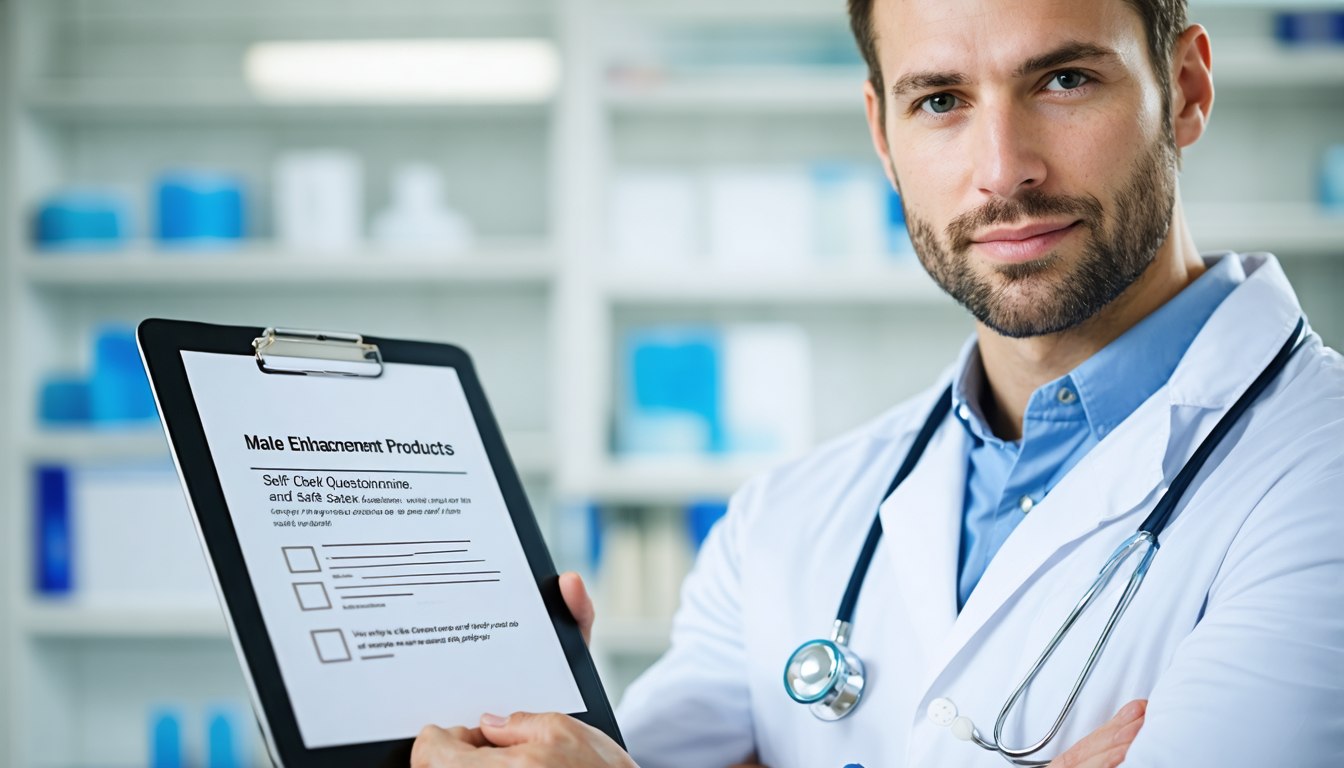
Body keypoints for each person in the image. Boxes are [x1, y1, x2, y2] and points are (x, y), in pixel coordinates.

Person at [413, 0, 1344, 765]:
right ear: (883, 134)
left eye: (1064, 80)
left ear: (1184, 89)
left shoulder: (1322, 470)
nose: (1001, 170)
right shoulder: (779, 523)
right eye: (940, 100)